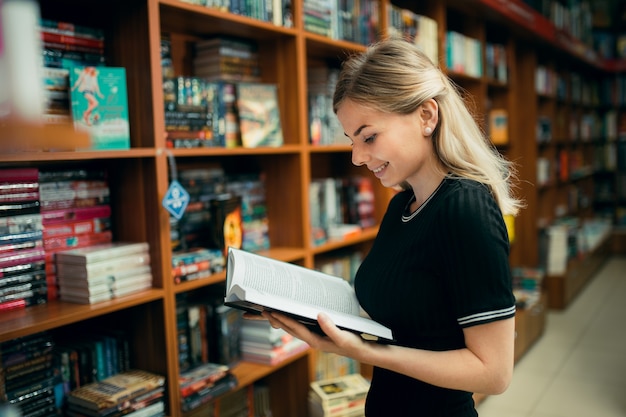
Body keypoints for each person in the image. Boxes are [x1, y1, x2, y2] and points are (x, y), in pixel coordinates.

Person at [260, 37, 524, 416]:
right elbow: (409, 313)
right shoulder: (403, 205)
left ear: (426, 117)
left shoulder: (466, 208)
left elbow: (493, 373)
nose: (357, 157)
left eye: (369, 137)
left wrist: (365, 352)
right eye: (352, 141)